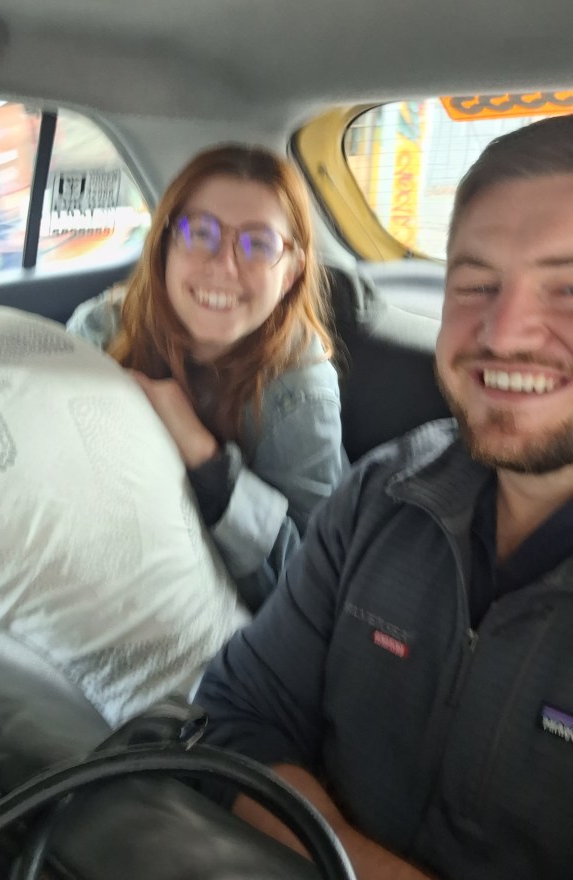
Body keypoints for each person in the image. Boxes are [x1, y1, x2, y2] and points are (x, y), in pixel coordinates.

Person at [195, 114, 573, 880]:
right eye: (475, 284)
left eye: (567, 288)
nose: (504, 333)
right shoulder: (383, 493)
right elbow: (236, 718)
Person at [66, 144, 344, 612]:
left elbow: (310, 584)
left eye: (259, 244)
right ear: (165, 246)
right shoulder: (102, 330)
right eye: (200, 233)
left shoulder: (300, 391)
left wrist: (205, 458)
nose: (224, 266)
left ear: (291, 273)